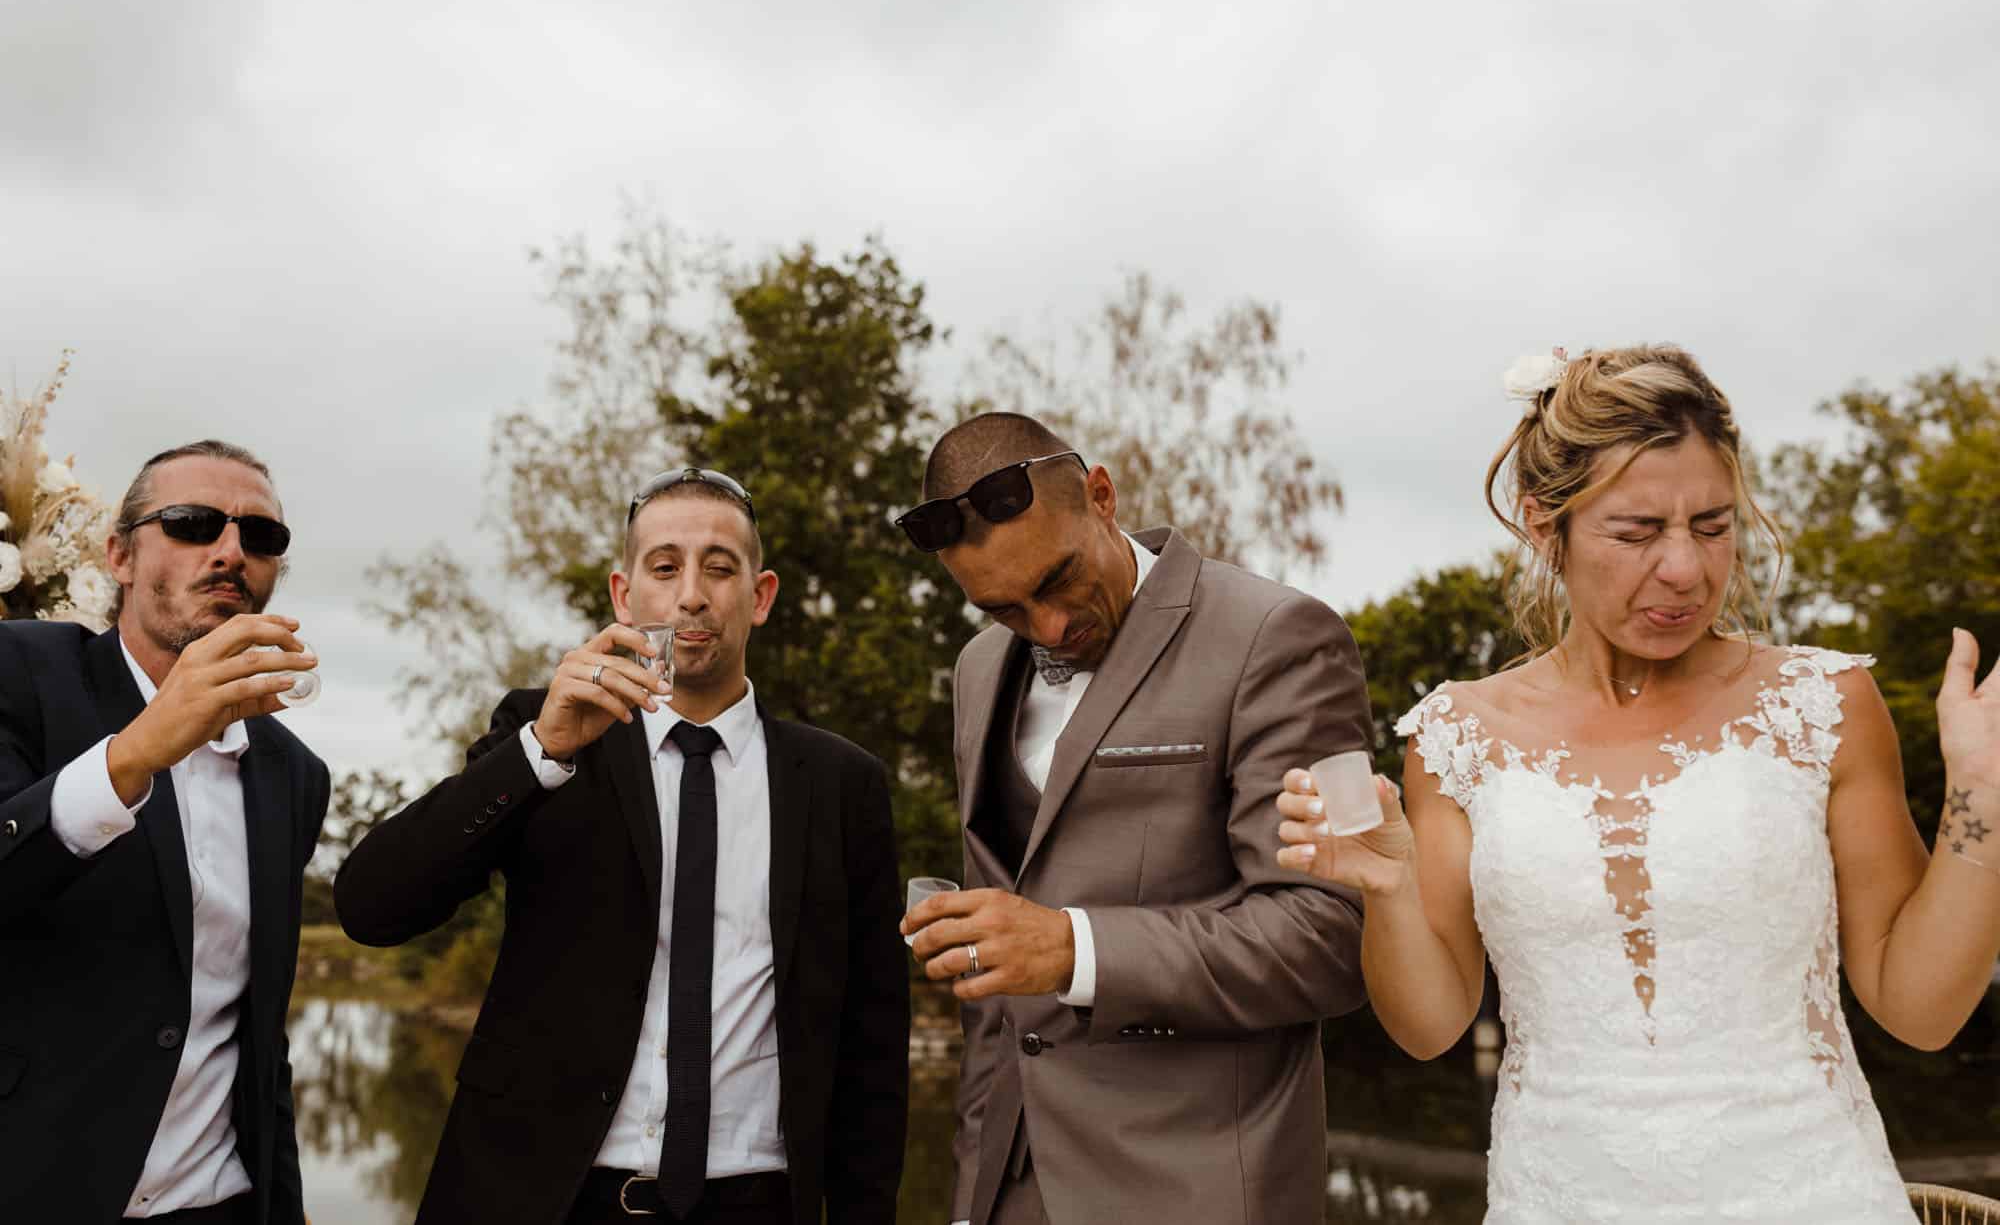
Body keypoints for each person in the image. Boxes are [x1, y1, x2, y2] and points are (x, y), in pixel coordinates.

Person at [1277, 345, 2000, 1221]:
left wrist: (1982, 798)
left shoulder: (1825, 703)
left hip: (1814, 1192)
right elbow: (1430, 1027)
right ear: (1547, 528)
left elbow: (1921, 1009)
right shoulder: (1455, 736)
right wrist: (1387, 887)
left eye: (1712, 524)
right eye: (1637, 531)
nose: (1686, 570)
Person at [336, 467, 908, 1225]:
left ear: (761, 595)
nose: (692, 594)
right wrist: (542, 752)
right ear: (623, 594)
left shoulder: (843, 783)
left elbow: (874, 1049)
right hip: (547, 1197)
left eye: (720, 567)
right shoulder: (550, 741)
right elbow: (372, 904)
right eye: (665, 567)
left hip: (759, 1202)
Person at [896, 413, 1370, 1225]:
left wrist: (1074, 947)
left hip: (1195, 1189)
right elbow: (996, 994)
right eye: (1003, 607)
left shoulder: (1279, 636)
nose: (1045, 627)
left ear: (1102, 497)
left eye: (1056, 580)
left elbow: (1329, 936)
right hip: (1011, 1187)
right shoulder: (978, 669)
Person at [0, 440, 329, 1224]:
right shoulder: (20, 673)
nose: (230, 552)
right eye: (191, 523)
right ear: (118, 554)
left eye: (261, 536)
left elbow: (259, 1037)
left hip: (217, 1202)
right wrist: (138, 750)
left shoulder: (295, 773)